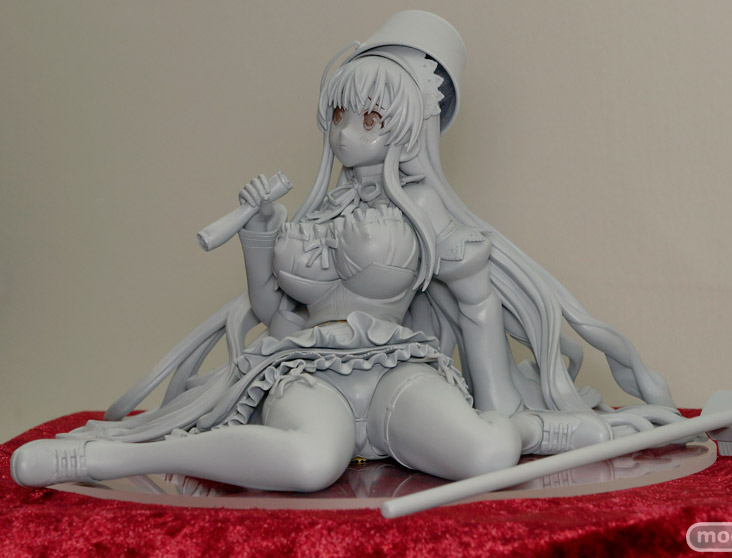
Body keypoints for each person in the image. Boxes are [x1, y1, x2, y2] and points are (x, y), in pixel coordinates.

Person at [11, 11, 682, 492]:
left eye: (371, 118)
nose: (345, 132)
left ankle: (533, 431)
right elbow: (273, 314)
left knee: (483, 452)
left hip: (399, 374)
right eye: (339, 114)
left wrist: (505, 411)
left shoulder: (425, 212)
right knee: (310, 463)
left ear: (409, 126)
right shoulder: (312, 210)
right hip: (306, 374)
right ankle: (112, 460)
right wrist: (260, 233)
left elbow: (478, 311)